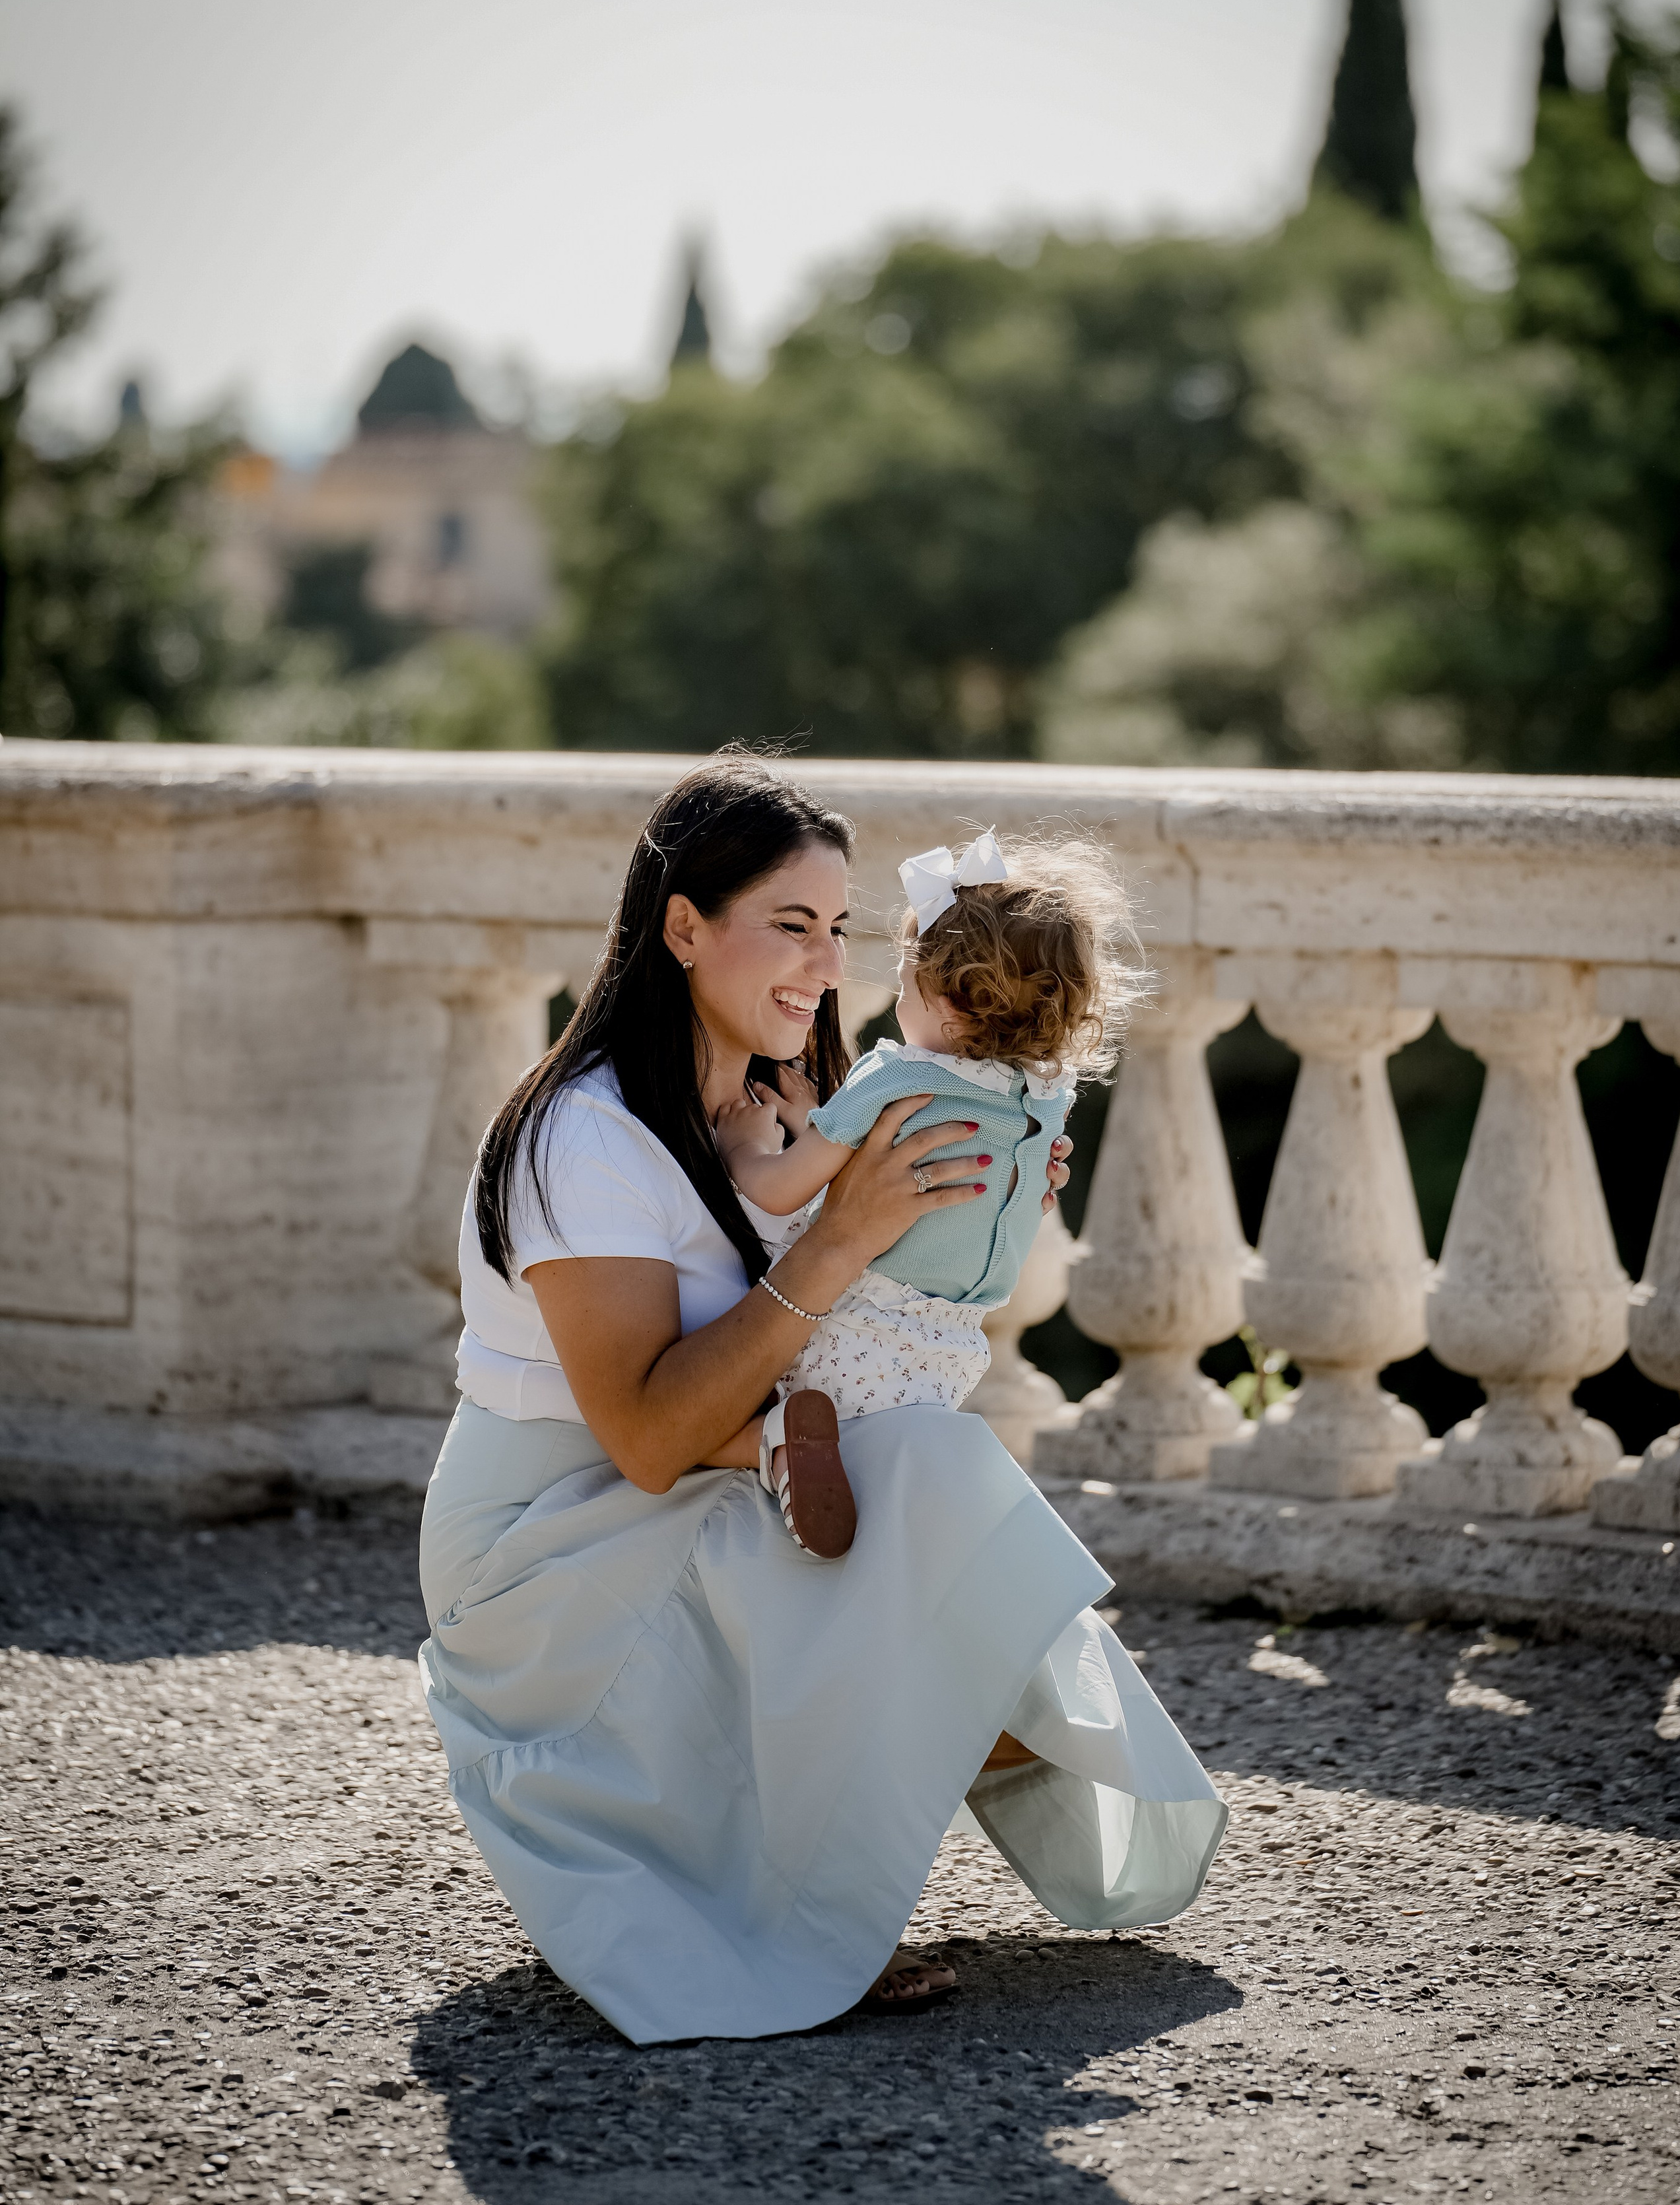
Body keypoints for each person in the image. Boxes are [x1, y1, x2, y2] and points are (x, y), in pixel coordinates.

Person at [417, 754, 1227, 2046]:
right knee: (895, 1472)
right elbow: (643, 1442)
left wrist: (986, 1182)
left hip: (712, 1483)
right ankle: (910, 1798)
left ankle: (956, 1745)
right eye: (787, 924)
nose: (821, 961)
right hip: (549, 1550)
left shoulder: (790, 1103)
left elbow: (870, 1296)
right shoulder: (586, 1137)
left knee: (911, 1461)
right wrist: (837, 1245)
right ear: (682, 929)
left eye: (838, 928)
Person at [718, 827, 1143, 1558]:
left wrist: (750, 1145)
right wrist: (813, 1117)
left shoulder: (896, 1077)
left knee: (737, 1398)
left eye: (905, 981)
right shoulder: (1043, 1100)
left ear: (945, 1002)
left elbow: (784, 1189)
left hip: (850, 1312)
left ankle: (778, 1443)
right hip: (954, 1336)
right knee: (883, 1454)